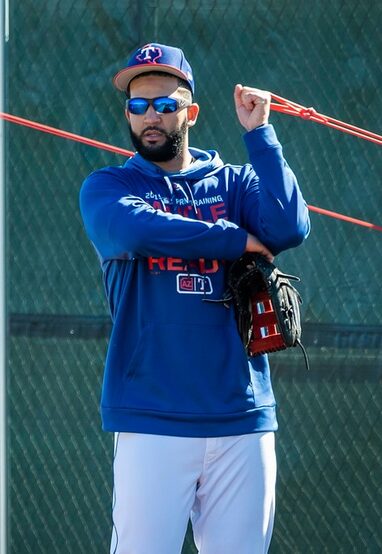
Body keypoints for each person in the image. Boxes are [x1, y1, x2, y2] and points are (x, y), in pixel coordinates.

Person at [79, 43, 310, 553]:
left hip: (241, 417)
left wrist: (260, 134)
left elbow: (289, 225)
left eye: (165, 104)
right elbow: (135, 230)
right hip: (153, 419)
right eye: (138, 106)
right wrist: (235, 240)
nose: (150, 117)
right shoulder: (108, 187)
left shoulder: (233, 181)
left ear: (192, 112)